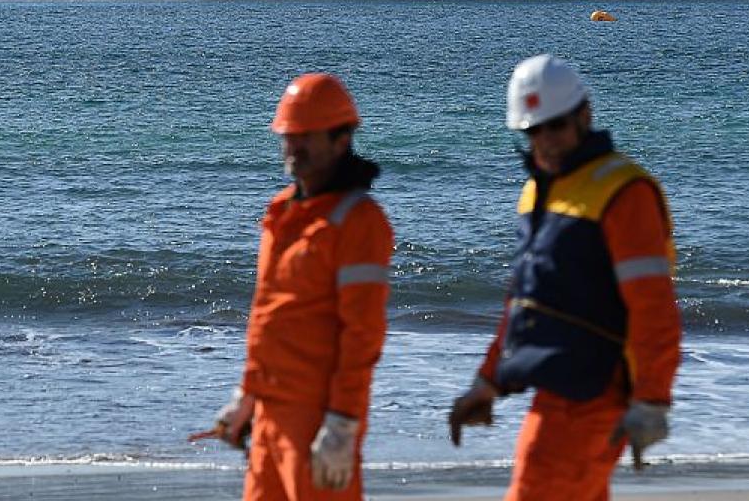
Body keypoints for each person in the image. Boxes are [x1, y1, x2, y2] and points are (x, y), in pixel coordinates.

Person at [447, 54, 681, 501]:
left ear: (584, 116)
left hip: (599, 390)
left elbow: (653, 307)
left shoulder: (623, 192)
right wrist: (489, 381)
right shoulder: (538, 192)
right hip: (557, 386)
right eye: (534, 131)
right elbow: (525, 300)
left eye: (555, 126)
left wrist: (652, 399)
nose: (546, 141)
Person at [209, 73, 395, 501]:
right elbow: (267, 314)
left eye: (306, 137)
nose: (293, 147)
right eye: (288, 136)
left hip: (318, 415)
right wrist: (247, 394)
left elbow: (362, 334)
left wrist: (343, 422)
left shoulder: (359, 221)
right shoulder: (281, 211)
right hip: (269, 409)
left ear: (341, 140)